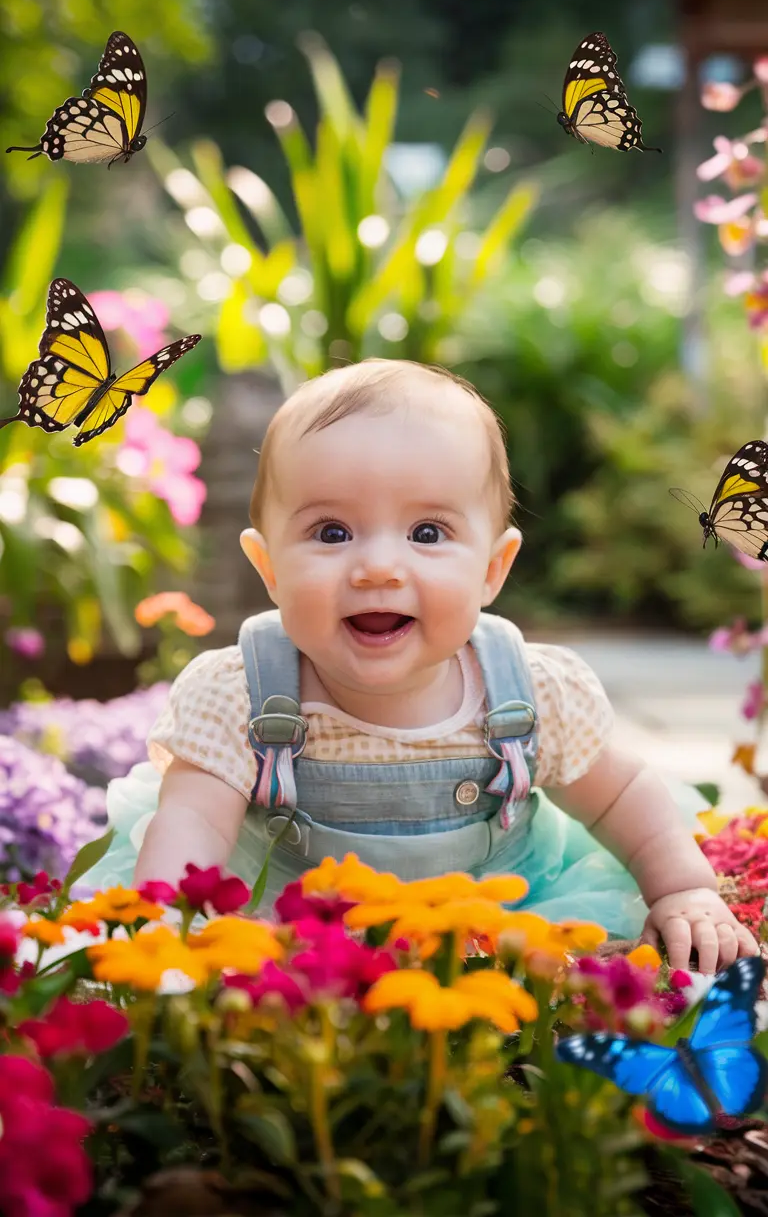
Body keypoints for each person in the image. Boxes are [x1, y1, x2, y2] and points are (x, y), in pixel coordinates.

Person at [89, 358, 757, 973]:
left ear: (493, 569)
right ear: (268, 568)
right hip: (301, 935)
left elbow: (620, 795)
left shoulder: (528, 691)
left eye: (427, 534)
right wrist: (168, 931)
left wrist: (682, 889)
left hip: (496, 923)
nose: (379, 567)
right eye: (332, 533)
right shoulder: (240, 694)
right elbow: (194, 822)